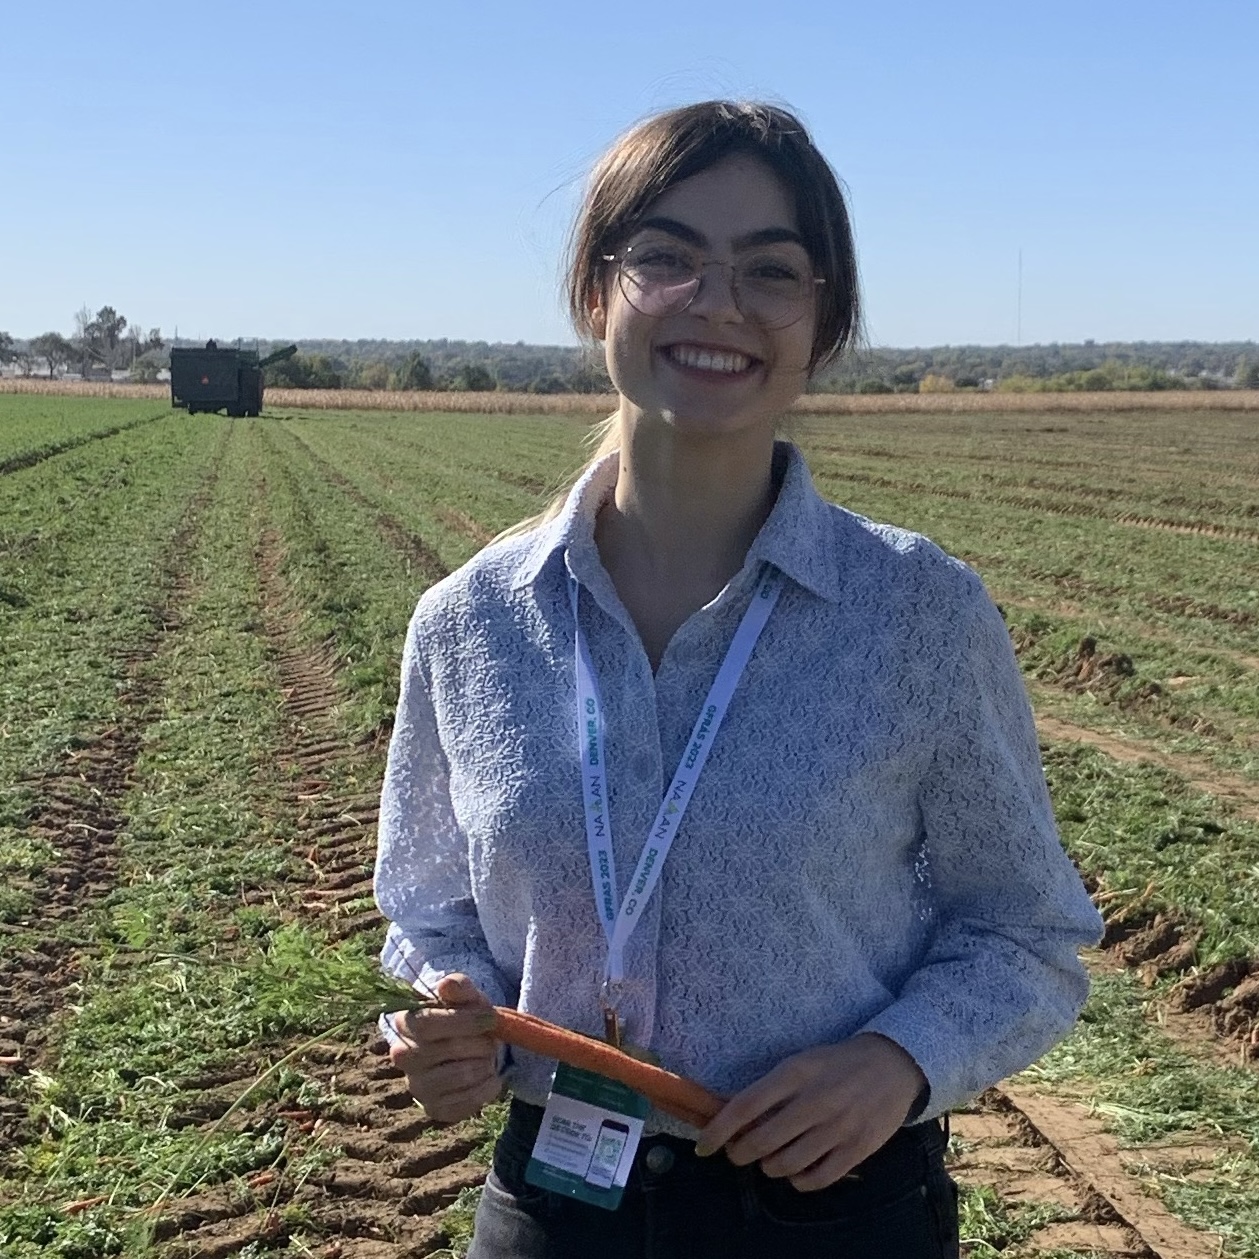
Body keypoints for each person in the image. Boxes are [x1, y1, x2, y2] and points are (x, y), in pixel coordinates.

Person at [374, 100, 1102, 1259]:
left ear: (821, 322)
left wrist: (894, 1061)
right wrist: (451, 1011)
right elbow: (426, 907)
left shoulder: (916, 613)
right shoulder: (467, 623)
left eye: (771, 271)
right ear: (593, 292)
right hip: (558, 1204)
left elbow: (1025, 926)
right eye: (667, 256)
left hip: (832, 1211)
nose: (717, 304)